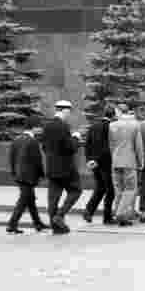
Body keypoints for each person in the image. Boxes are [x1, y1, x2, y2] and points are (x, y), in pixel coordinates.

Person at [41, 100, 84, 234]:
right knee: (76, 190)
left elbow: (44, 146)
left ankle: (56, 227)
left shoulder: (47, 126)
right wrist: (76, 138)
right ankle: (60, 216)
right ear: (65, 110)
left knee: (53, 198)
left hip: (51, 167)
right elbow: (69, 148)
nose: (69, 114)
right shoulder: (63, 126)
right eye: (69, 112)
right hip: (66, 168)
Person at [6, 123, 48, 234]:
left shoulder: (17, 139)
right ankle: (12, 225)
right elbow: (37, 160)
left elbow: (11, 158)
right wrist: (41, 175)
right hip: (28, 177)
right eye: (39, 127)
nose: (40, 130)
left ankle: (38, 223)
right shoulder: (32, 141)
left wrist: (14, 173)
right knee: (23, 201)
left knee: (30, 200)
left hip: (19, 176)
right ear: (33, 128)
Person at [109, 102, 145, 227]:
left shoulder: (112, 125)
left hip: (115, 161)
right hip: (130, 162)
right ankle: (120, 213)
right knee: (130, 189)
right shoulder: (135, 125)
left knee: (119, 189)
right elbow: (138, 146)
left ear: (119, 112)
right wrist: (141, 162)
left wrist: (114, 158)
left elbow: (111, 145)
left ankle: (120, 215)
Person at [83, 105, 115, 224]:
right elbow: (106, 147)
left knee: (100, 187)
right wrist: (98, 159)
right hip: (105, 162)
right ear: (113, 115)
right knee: (110, 190)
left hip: (94, 163)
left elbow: (87, 144)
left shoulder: (93, 126)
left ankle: (89, 210)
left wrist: (89, 159)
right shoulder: (110, 127)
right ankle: (107, 217)